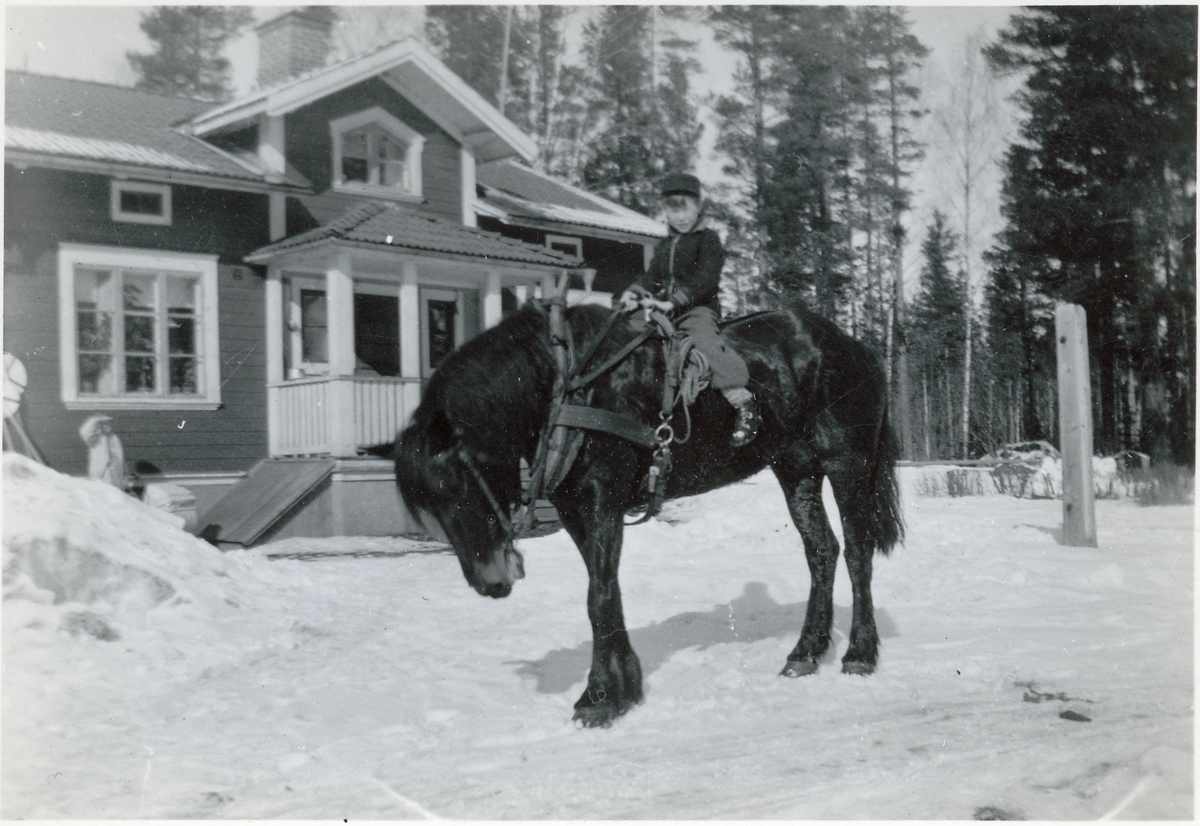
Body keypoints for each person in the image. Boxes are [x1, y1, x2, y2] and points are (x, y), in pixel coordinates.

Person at [619, 173, 759, 447]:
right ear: (665, 211)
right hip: (665, 314)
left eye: (686, 209)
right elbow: (651, 278)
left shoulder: (707, 240)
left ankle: (742, 401)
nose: (680, 217)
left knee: (704, 342)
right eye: (674, 210)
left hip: (697, 310)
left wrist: (673, 301)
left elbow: (706, 279)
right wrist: (633, 293)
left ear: (698, 208)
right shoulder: (664, 245)